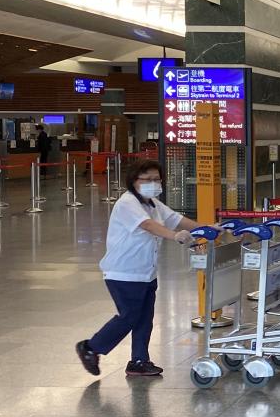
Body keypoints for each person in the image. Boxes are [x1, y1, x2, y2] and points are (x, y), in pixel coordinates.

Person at [76, 159, 209, 377]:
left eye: (156, 179)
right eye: (147, 179)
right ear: (134, 181)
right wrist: (175, 236)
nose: (153, 183)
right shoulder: (128, 203)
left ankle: (139, 360)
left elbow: (177, 219)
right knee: (129, 316)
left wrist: (206, 229)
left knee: (144, 318)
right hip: (124, 273)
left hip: (145, 272)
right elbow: (148, 225)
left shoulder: (153, 203)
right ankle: (91, 347)